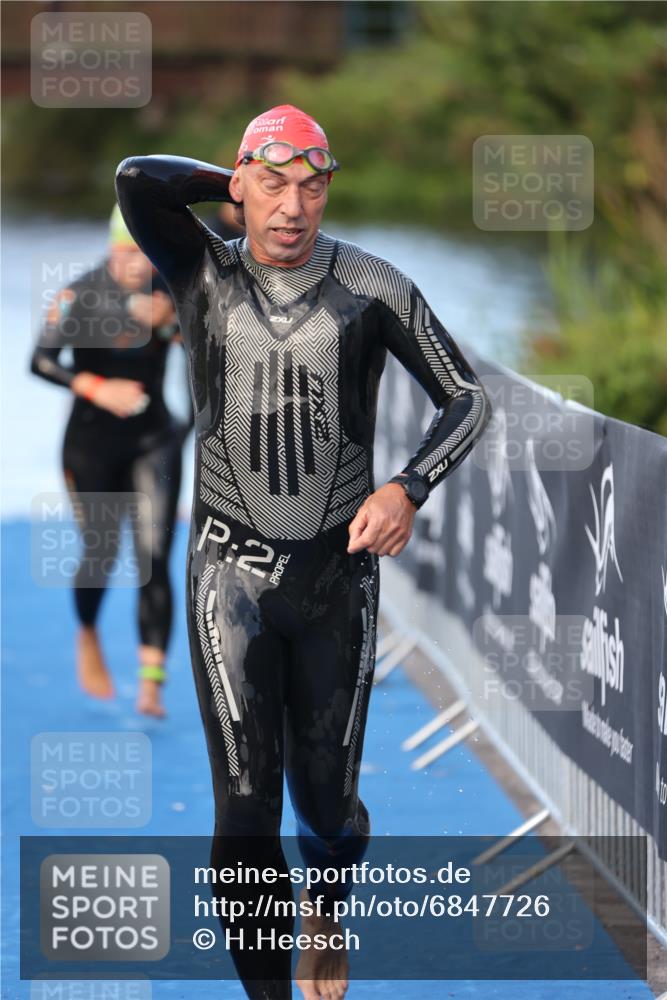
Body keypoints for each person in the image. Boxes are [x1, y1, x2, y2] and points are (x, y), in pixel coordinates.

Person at [115, 104, 491, 999]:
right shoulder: (201, 269)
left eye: (312, 188)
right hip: (228, 576)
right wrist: (242, 179)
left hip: (335, 583)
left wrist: (407, 487)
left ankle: (327, 899)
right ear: (240, 186)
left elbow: (466, 398)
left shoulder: (371, 286)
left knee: (327, 813)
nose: (293, 208)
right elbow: (138, 178)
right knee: (245, 809)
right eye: (274, 186)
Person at [30, 206, 192, 718]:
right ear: (110, 248)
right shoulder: (81, 294)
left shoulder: (170, 293)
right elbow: (40, 360)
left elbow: (213, 348)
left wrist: (172, 325)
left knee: (154, 556)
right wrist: (96, 387)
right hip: (91, 443)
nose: (135, 265)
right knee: (101, 551)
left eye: (144, 255)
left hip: (154, 441)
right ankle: (87, 632)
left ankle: (151, 685)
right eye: (126, 253)